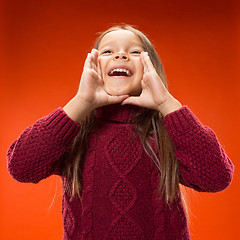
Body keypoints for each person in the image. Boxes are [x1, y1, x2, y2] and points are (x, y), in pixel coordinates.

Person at [7, 24, 234, 240]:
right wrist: (81, 101)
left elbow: (217, 178)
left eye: (135, 52)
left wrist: (165, 102)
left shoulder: (169, 131)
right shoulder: (74, 132)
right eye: (108, 51)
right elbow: (21, 166)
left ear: (151, 70)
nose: (121, 55)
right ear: (93, 67)